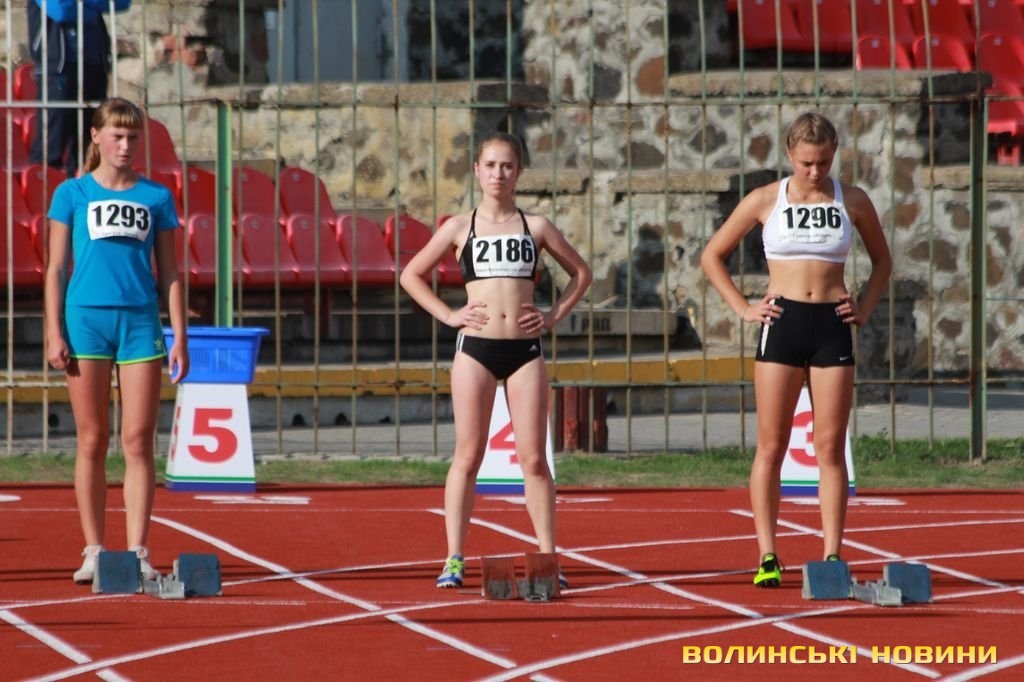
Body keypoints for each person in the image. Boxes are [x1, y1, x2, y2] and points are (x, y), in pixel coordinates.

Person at [700, 112, 892, 588]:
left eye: (823, 161)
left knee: (830, 446)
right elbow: (712, 255)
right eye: (806, 162)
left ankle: (832, 555)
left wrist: (864, 307)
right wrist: (743, 307)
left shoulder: (852, 200)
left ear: (834, 153)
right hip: (782, 323)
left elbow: (883, 261)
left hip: (831, 325)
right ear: (789, 155)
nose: (815, 171)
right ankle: (768, 554)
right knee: (772, 444)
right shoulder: (766, 199)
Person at [400, 131, 592, 589]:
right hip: (476, 350)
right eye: (490, 165)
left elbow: (581, 273)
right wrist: (449, 315)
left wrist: (553, 315)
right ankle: (453, 558)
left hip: (525, 351)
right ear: (476, 171)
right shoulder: (458, 227)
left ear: (519, 172)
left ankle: (548, 558)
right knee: (468, 456)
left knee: (534, 460)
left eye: (507, 166)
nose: (498, 174)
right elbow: (411, 275)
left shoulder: (536, 227)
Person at [44, 97, 189, 584]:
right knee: (92, 439)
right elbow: (56, 268)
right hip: (85, 322)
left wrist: (180, 337)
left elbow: (170, 272)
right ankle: (93, 551)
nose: (126, 145)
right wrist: (53, 330)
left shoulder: (156, 197)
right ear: (96, 136)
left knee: (138, 440)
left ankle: (138, 551)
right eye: (117, 136)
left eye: (133, 137)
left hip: (140, 324)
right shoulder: (71, 193)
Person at [27, 0, 133, 177]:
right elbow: (61, 11)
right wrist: (95, 7)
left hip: (94, 64)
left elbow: (122, 3)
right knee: (50, 145)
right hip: (58, 69)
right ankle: (42, 189)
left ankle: (83, 188)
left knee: (90, 145)